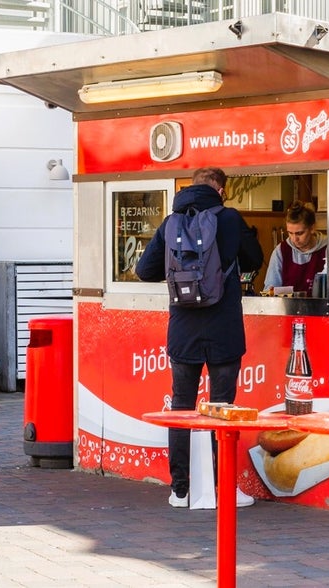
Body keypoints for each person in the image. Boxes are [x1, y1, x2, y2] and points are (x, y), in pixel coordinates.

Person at [136, 167, 264, 508]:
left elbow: (143, 270)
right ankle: (223, 489)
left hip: (183, 328)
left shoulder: (170, 223)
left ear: (189, 188)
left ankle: (181, 490)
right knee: (223, 410)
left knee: (181, 408)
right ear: (221, 190)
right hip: (223, 326)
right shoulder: (230, 218)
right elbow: (255, 259)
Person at [264, 200, 327, 294]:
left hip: (321, 308)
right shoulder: (281, 251)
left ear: (312, 228)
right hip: (286, 308)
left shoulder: (328, 249)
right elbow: (270, 289)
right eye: (290, 233)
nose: (294, 239)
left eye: (299, 233)